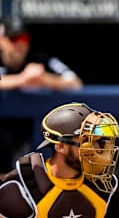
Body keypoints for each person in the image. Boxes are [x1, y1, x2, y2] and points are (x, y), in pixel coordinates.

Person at [0, 16, 83, 173]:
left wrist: (45, 79)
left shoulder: (39, 60)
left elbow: (75, 82)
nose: (19, 44)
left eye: (23, 38)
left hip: (30, 137)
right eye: (14, 38)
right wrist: (22, 79)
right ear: (1, 41)